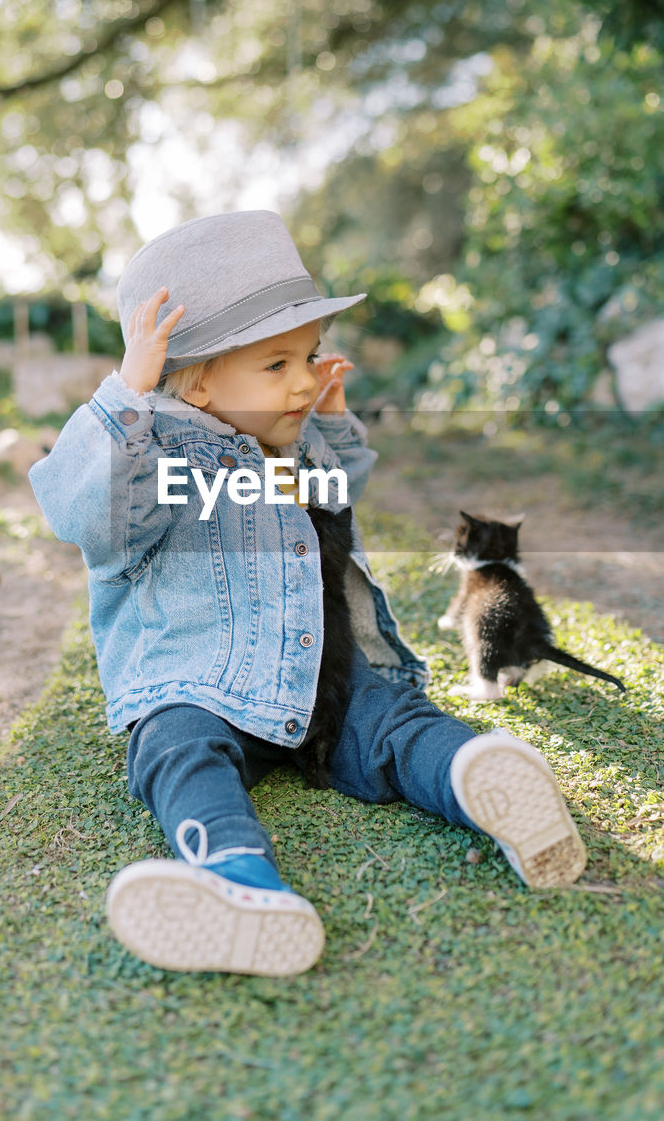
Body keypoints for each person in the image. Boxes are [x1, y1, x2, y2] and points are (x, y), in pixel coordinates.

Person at [29, 210, 587, 977]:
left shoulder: (292, 437)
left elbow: (338, 490)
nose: (302, 378)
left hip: (322, 671)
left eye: (309, 356)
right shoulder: (146, 451)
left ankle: (477, 778)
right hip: (199, 685)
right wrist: (127, 395)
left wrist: (331, 423)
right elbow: (83, 514)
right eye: (275, 365)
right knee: (178, 747)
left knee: (393, 722)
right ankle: (241, 886)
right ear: (192, 382)